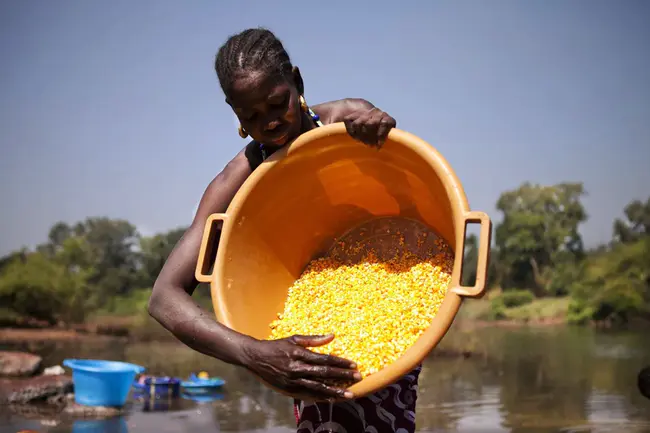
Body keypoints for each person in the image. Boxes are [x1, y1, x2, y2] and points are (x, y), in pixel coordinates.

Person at [148, 28, 420, 432]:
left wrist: (381, 130)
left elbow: (407, 194)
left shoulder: (348, 120)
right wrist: (255, 353)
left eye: (278, 103)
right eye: (251, 116)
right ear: (233, 112)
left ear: (297, 81)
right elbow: (163, 298)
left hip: (389, 310)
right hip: (306, 347)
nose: (270, 123)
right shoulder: (235, 184)